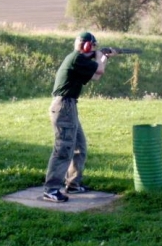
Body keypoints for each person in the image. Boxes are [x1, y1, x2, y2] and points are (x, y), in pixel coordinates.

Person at [43, 32, 116, 202]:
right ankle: (51, 189)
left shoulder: (79, 60)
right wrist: (100, 57)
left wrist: (104, 58)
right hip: (64, 106)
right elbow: (99, 70)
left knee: (79, 146)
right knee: (63, 148)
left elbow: (96, 75)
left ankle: (73, 184)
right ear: (87, 46)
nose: (94, 50)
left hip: (69, 106)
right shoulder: (77, 58)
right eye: (94, 47)